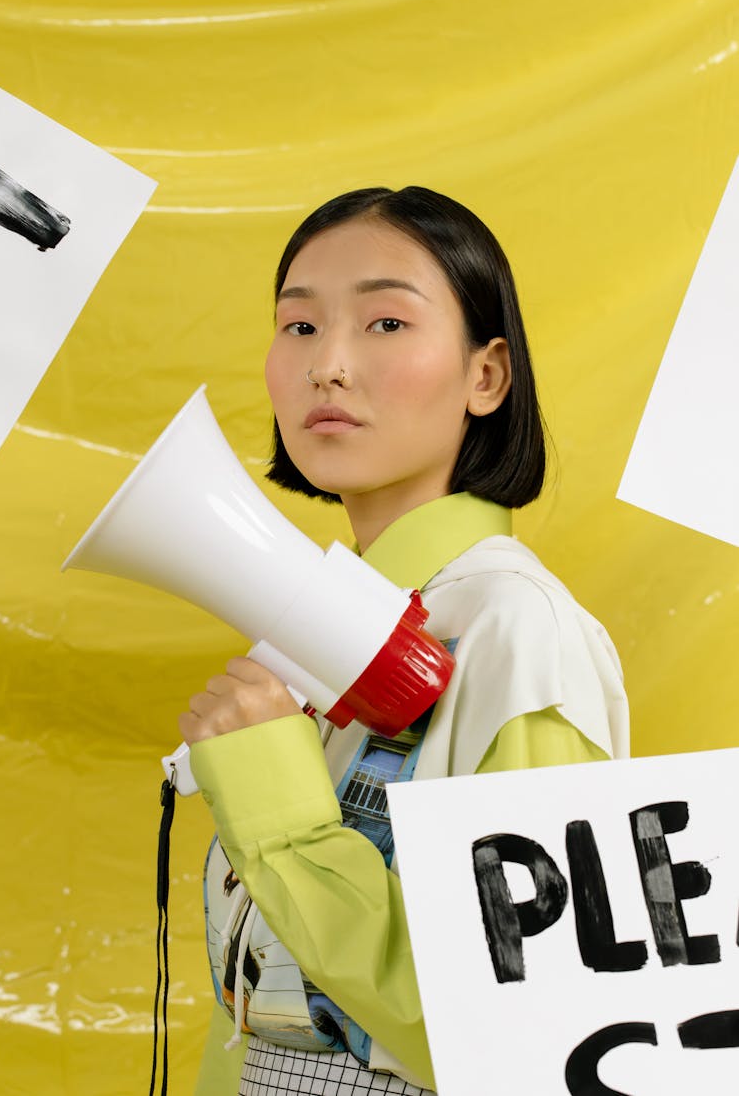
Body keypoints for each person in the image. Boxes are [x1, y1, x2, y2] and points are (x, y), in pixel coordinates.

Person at [182, 186, 629, 1096]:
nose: (329, 366)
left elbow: (537, 1024)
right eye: (299, 327)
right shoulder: (319, 633)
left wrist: (278, 806)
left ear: (486, 377)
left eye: (386, 322)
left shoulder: (518, 630)